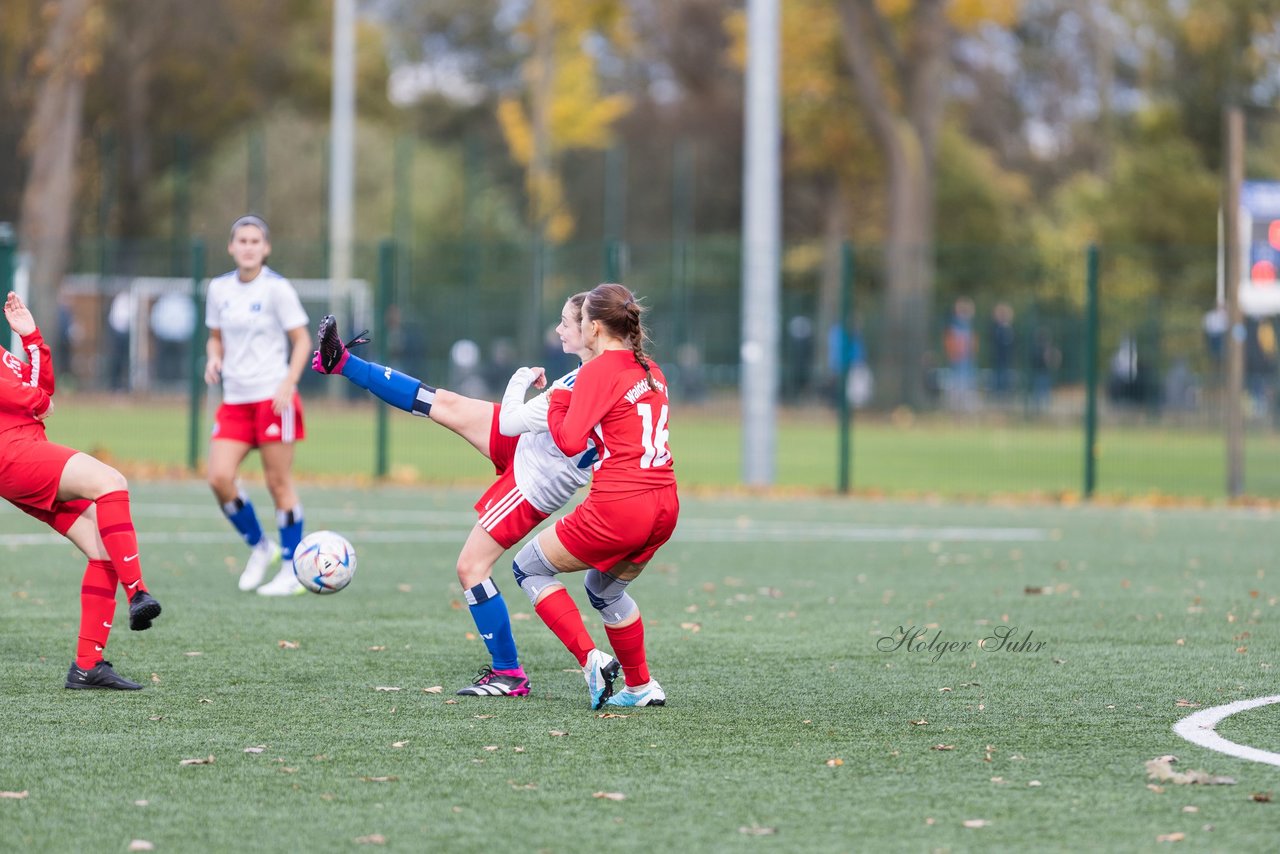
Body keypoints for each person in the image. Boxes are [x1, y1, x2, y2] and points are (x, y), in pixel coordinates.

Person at [312, 295, 596, 697]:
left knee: (471, 567)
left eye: (565, 322)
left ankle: (508, 674)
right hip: (532, 444)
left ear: (591, 330)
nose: (558, 329)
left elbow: (520, 421)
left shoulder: (592, 381)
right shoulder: (596, 372)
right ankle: (341, 362)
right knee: (439, 401)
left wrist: (518, 379)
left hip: (535, 478)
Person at [512, 283, 678, 709]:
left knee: (527, 568)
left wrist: (558, 399)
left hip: (620, 507)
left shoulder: (596, 371)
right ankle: (640, 687)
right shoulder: (651, 369)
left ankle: (592, 661)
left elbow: (569, 441)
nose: (577, 326)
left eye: (581, 320)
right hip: (664, 506)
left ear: (597, 328)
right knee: (603, 589)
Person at [0, 291, 162, 690]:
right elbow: (33, 398)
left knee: (103, 549)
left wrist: (32, 337)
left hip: (26, 446)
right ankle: (138, 592)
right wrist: (37, 400)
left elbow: (43, 387)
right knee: (111, 481)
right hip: (12, 451)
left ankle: (87, 666)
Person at [204, 215, 311, 596]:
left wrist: (288, 382)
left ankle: (292, 566)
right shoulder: (218, 289)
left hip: (272, 398)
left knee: (278, 483)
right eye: (242, 241)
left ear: (265, 248)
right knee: (219, 477)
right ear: (231, 247)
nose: (248, 247)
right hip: (235, 400)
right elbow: (215, 338)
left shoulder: (277, 290)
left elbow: (302, 341)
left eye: (255, 241)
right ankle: (259, 546)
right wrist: (213, 358)